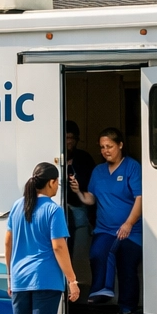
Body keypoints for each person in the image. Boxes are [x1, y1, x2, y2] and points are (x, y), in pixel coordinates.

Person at [0, 162, 80, 314]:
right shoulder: (53, 210)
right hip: (45, 279)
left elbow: (7, 243)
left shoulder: (17, 206)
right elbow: (58, 246)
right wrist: (72, 280)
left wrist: (10, 277)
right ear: (52, 182)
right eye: (58, 183)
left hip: (21, 277)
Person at [68, 128, 143, 314]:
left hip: (132, 231)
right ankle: (102, 291)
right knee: (96, 253)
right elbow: (91, 199)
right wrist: (78, 191)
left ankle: (128, 308)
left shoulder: (132, 167)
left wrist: (129, 223)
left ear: (120, 145)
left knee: (126, 264)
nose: (105, 150)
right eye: (102, 147)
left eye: (109, 146)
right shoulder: (98, 171)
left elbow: (141, 199)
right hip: (105, 229)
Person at [63, 122, 97, 288]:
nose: (68, 142)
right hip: (59, 209)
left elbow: (92, 186)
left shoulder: (84, 158)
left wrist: (78, 187)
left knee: (80, 252)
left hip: (79, 207)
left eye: (72, 138)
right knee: (62, 249)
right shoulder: (55, 154)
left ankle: (78, 286)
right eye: (66, 137)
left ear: (77, 140)